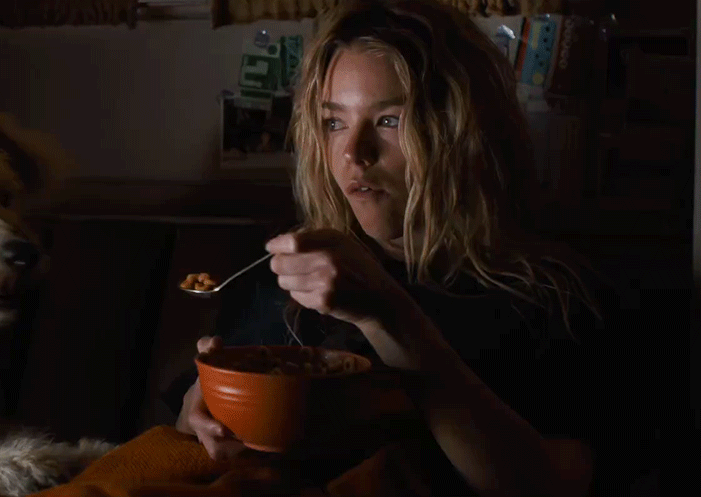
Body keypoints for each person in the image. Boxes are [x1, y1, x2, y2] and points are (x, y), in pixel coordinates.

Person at [169, 1, 647, 496]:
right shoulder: (278, 280)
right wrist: (202, 412)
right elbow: (188, 431)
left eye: (389, 120)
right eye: (334, 122)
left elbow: (550, 485)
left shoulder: (555, 301)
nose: (354, 153)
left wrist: (387, 315)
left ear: (461, 130)